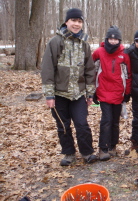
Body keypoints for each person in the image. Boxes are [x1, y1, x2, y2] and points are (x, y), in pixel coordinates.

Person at [41, 8, 97, 166]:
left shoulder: (84, 44)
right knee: (63, 126)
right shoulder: (55, 42)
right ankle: (69, 154)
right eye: (74, 21)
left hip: (78, 94)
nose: (77, 24)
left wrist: (90, 93)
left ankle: (87, 153)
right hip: (59, 94)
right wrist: (49, 95)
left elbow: (89, 70)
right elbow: (47, 69)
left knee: (82, 124)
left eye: (79, 21)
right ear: (67, 22)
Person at [92, 25, 131, 161]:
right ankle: (103, 148)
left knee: (115, 121)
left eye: (116, 39)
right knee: (106, 120)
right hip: (103, 91)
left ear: (119, 40)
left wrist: (127, 92)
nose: (113, 41)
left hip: (118, 93)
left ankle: (113, 146)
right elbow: (92, 72)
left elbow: (128, 75)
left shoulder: (124, 54)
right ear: (106, 39)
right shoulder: (99, 52)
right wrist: (93, 91)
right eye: (111, 38)